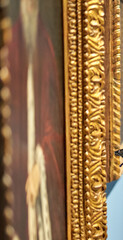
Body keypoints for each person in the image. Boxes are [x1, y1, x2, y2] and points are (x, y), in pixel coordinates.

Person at [8, 0, 66, 239]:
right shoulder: (12, 46)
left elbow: (55, 121)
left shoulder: (45, 45)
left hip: (38, 165)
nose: (30, 5)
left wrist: (39, 165)